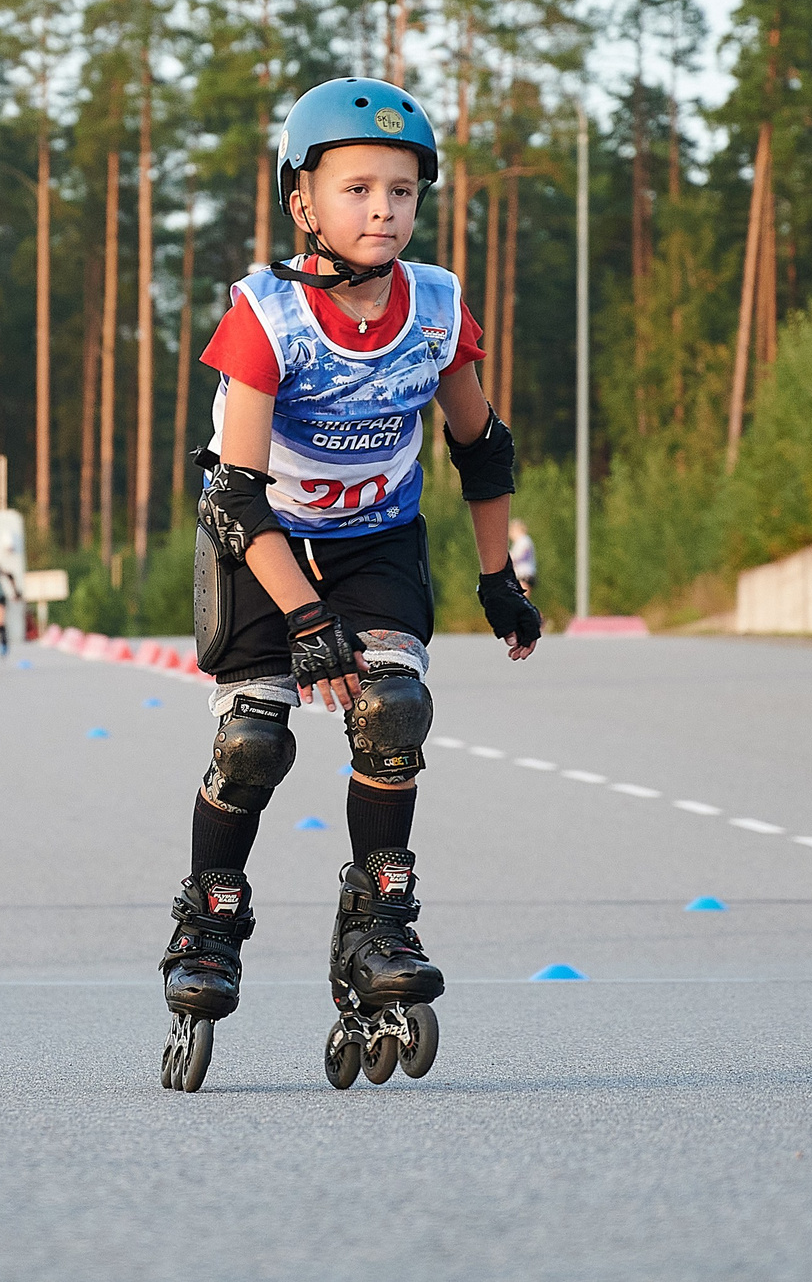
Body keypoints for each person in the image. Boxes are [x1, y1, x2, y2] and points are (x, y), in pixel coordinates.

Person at [157, 75, 542, 1094]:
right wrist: (304, 616)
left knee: (394, 708)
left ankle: (378, 918)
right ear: (304, 201)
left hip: (375, 544)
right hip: (261, 546)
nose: (384, 209)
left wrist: (497, 575)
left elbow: (483, 447)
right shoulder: (265, 315)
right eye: (360, 187)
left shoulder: (437, 306)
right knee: (252, 740)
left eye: (404, 190)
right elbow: (235, 496)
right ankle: (210, 918)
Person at [507, 517, 538, 594]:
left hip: (523, 574)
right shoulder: (521, 542)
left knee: (522, 598)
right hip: (523, 574)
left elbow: (515, 556)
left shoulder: (523, 541)